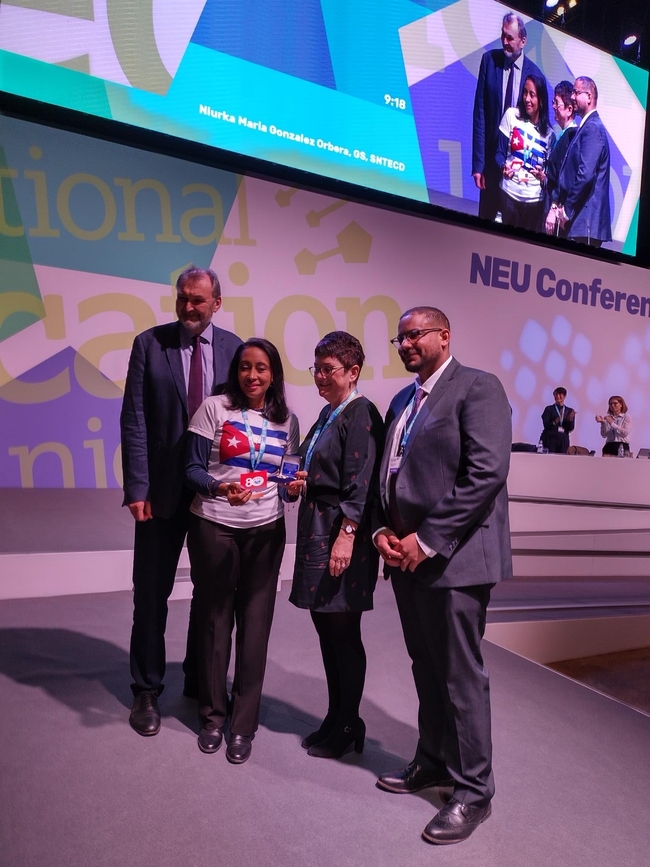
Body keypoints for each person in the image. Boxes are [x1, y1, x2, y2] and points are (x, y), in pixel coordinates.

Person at [374, 307, 512, 846]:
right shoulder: (402, 401)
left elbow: (486, 473)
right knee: (426, 668)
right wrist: (383, 530)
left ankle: (474, 793)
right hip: (406, 558)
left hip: (455, 560)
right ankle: (431, 762)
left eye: (415, 334)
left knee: (460, 677)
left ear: (443, 336)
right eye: (399, 337)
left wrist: (426, 539)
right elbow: (391, 473)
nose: (405, 343)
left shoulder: (478, 388)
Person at [120, 266, 242, 737]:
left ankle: (199, 680)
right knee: (151, 593)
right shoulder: (149, 344)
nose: (189, 307)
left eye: (198, 300)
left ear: (217, 303)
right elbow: (134, 419)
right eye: (183, 298)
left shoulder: (236, 350)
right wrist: (137, 488)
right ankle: (146, 688)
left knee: (212, 595)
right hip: (160, 496)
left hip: (215, 494)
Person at [184, 338, 299, 763]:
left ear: (274, 375)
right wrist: (218, 486)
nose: (253, 375)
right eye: (246, 367)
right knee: (215, 623)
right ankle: (213, 717)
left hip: (266, 532)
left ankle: (243, 726)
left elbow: (286, 483)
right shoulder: (214, 408)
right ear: (236, 370)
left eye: (262, 368)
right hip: (215, 525)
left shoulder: (288, 421)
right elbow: (191, 470)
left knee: (255, 629)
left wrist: (292, 487)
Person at [287, 332, 384, 759]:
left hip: (342, 535)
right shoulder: (329, 414)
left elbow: (360, 485)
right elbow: (311, 465)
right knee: (327, 631)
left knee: (344, 633)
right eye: (317, 368)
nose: (320, 377)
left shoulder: (360, 413)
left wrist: (345, 539)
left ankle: (349, 722)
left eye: (329, 369)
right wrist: (296, 480)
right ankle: (335, 716)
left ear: (353, 372)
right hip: (317, 529)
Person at [472, 12, 543, 221]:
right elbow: (480, 115)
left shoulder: (535, 75)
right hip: (490, 168)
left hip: (518, 176)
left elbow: (537, 127)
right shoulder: (489, 60)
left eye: (510, 38)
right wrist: (479, 165)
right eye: (503, 35)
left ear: (523, 41)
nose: (504, 41)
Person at [496, 73, 555, 231]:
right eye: (525, 93)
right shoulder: (511, 116)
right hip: (508, 195)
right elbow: (499, 153)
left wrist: (544, 177)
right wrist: (503, 167)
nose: (527, 99)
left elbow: (550, 173)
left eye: (532, 95)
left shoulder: (550, 135)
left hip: (534, 204)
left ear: (541, 101)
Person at [557, 77, 612, 247]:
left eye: (576, 92)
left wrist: (566, 210)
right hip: (581, 222)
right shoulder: (588, 125)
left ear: (589, 96)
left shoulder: (593, 127)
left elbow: (585, 174)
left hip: (585, 223)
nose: (572, 97)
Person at [544, 81, 578, 237]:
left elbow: (565, 179)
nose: (553, 107)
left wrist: (553, 209)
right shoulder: (564, 135)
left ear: (569, 109)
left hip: (557, 217)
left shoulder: (571, 137)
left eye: (556, 103)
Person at [541, 387, 576, 454]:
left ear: (564, 396)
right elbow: (546, 425)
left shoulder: (569, 411)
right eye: (556, 394)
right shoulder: (549, 409)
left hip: (563, 440)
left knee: (562, 461)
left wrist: (570, 420)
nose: (557, 396)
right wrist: (555, 421)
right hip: (550, 439)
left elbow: (570, 429)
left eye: (560, 394)